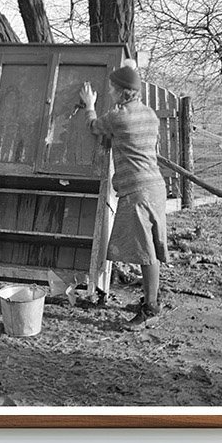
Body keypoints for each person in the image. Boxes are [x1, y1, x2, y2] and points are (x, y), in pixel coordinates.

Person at [80, 64, 167, 330]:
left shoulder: (119, 117)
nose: (109, 91)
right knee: (150, 247)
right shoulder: (150, 114)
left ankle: (150, 309)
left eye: (111, 88)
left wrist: (89, 104)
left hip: (137, 192)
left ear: (122, 92)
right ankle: (152, 299)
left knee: (145, 252)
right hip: (155, 188)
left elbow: (94, 126)